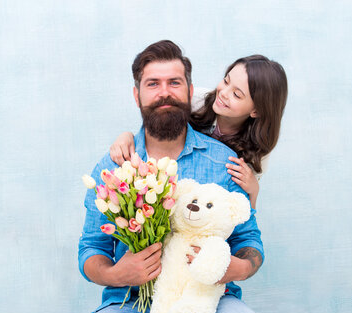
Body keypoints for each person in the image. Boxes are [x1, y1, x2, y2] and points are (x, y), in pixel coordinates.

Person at [71, 40, 275, 313]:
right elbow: (91, 248)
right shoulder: (113, 167)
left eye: (174, 82)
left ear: (190, 91)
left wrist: (237, 267)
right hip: (129, 306)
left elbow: (250, 242)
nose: (164, 92)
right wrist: (115, 274)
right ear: (137, 95)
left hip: (210, 301)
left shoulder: (226, 162)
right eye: (153, 84)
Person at [109, 55, 288, 209]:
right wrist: (126, 136)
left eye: (237, 94)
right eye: (226, 81)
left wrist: (254, 191)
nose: (224, 93)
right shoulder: (196, 100)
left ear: (255, 111)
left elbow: (243, 218)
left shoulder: (258, 151)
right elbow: (155, 127)